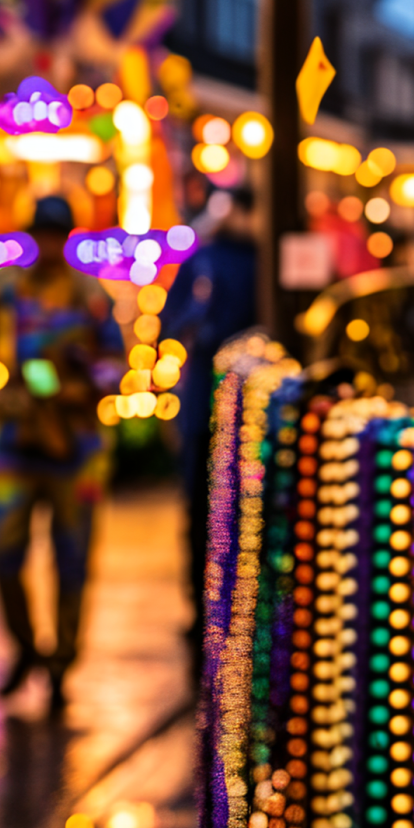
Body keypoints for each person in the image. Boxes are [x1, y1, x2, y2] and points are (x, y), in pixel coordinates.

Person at [0, 192, 107, 714]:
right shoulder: (7, 290)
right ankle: (25, 646)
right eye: (42, 234)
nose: (48, 244)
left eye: (56, 234)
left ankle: (61, 662)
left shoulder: (87, 294)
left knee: (72, 560)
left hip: (74, 446)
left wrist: (80, 386)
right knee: (3, 554)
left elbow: (114, 362)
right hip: (15, 441)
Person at [158, 181, 260, 662]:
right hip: (205, 410)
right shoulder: (204, 258)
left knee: (242, 512)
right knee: (202, 512)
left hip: (248, 416)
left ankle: (232, 607)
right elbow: (172, 317)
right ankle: (202, 606)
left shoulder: (260, 259)